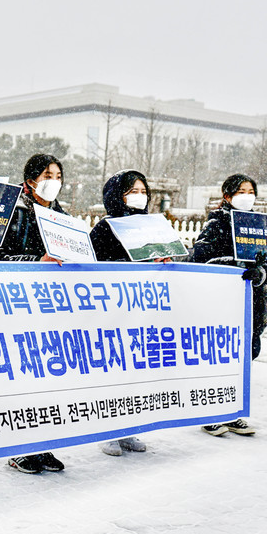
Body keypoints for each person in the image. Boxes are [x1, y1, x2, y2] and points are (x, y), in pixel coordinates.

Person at [0, 153, 67, 474]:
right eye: (48, 174)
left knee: (46, 380)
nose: (54, 181)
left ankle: (43, 444)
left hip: (49, 308)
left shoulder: (61, 216)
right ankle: (19, 447)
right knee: (21, 381)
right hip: (17, 304)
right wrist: (37, 262)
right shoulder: (13, 211)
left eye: (59, 176)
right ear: (31, 179)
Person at [189, 174, 267, 437]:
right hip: (221, 302)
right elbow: (201, 257)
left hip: (252, 303)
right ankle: (210, 413)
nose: (247, 195)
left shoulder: (260, 225)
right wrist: (235, 264)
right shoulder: (217, 222)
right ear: (227, 196)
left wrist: (261, 272)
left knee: (245, 358)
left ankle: (233, 412)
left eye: (251, 191)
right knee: (219, 358)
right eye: (241, 191)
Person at [88, 169, 154, 456]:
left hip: (139, 313)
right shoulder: (105, 228)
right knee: (111, 373)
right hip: (111, 312)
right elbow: (91, 265)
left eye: (143, 191)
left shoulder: (151, 226)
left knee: (133, 374)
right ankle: (107, 431)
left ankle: (128, 428)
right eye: (132, 192)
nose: (139, 197)